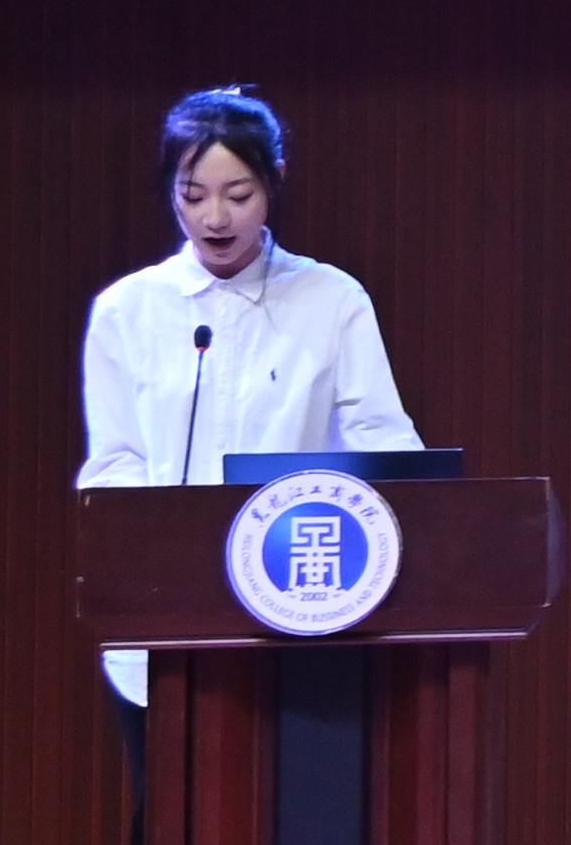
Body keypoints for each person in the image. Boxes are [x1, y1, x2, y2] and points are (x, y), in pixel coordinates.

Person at [79, 86, 425, 713]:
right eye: (193, 196)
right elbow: (115, 462)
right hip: (167, 621)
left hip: (305, 612)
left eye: (238, 196)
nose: (216, 218)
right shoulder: (127, 311)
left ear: (275, 181)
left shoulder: (331, 299)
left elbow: (382, 444)